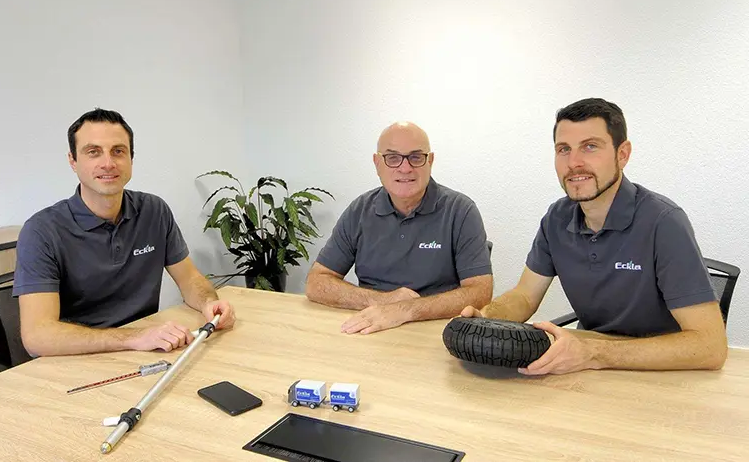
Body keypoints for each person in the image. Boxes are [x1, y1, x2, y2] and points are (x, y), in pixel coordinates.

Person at [461, 98, 727, 374]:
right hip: (588, 371)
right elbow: (525, 296)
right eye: (564, 149)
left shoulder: (663, 221)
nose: (574, 163)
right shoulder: (556, 218)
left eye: (590, 146)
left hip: (662, 373)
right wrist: (487, 317)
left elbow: (710, 346)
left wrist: (594, 353)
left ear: (622, 154)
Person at [14, 108, 235, 356]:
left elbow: (189, 279)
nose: (108, 163)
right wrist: (135, 338)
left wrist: (209, 303)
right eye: (93, 152)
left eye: (118, 151)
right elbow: (38, 335)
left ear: (131, 158)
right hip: (76, 358)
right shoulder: (41, 231)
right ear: (73, 161)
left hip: (144, 352)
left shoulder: (154, 211)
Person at [306, 121, 493, 334]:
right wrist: (384, 301)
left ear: (430, 161)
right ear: (377, 163)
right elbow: (316, 283)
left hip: (436, 332)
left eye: (416, 157)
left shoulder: (460, 210)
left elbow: (480, 291)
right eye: (392, 158)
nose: (405, 168)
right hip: (370, 329)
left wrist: (406, 310)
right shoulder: (360, 210)